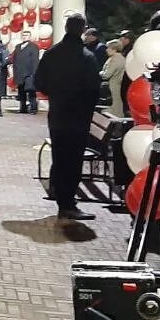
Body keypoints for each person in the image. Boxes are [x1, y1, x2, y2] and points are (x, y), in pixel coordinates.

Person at [34, 12, 102, 221]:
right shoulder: (87, 57)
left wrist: (56, 93)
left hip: (57, 114)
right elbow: (94, 89)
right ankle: (68, 203)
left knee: (60, 157)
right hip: (78, 118)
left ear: (65, 29)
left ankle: (61, 197)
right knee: (73, 161)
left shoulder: (52, 54)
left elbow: (39, 83)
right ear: (83, 30)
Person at [12, 30, 40, 114]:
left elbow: (35, 61)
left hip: (29, 73)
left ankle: (33, 109)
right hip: (19, 73)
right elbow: (15, 59)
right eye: (23, 35)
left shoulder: (34, 47)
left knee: (31, 92)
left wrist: (34, 73)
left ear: (30, 36)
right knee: (21, 92)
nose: (25, 36)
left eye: (27, 35)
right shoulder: (18, 47)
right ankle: (22, 108)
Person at [100, 38, 126, 116]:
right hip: (117, 87)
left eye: (108, 48)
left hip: (112, 87)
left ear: (114, 49)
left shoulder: (114, 60)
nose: (106, 50)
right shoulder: (122, 58)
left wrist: (100, 72)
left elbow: (106, 75)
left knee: (114, 110)